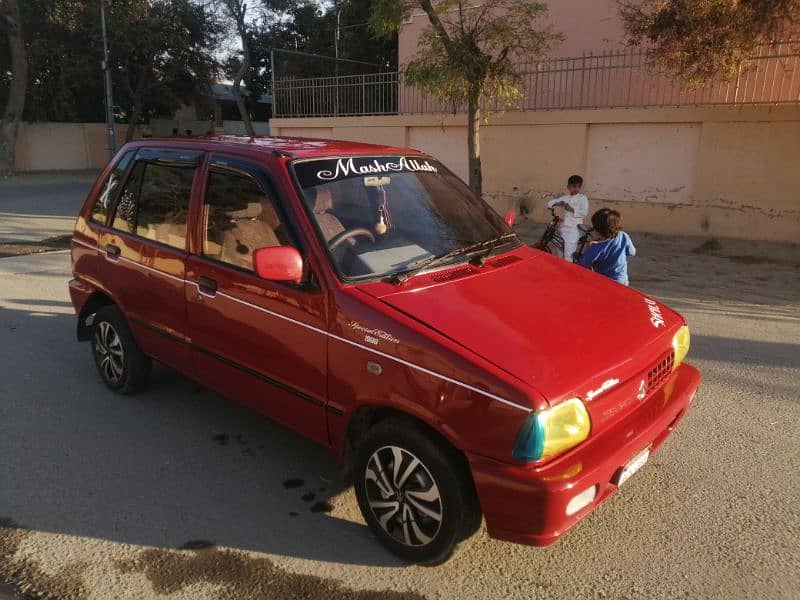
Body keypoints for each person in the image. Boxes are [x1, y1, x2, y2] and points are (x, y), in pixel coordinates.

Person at [579, 208, 636, 285]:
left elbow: (583, 265)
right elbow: (632, 252)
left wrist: (587, 248)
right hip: (622, 281)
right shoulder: (623, 236)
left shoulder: (594, 248)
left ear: (597, 230)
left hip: (605, 284)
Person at [546, 175, 588, 261]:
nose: (576, 189)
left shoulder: (582, 198)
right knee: (559, 251)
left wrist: (572, 209)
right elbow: (549, 203)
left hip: (574, 229)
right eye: (574, 186)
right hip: (562, 228)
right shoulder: (565, 198)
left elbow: (584, 212)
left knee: (568, 255)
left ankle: (568, 271)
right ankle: (561, 270)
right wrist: (556, 203)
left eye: (578, 187)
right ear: (568, 187)